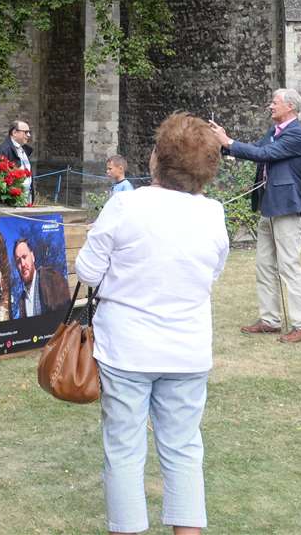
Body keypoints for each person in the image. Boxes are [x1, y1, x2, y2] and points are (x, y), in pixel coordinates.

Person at [75, 112, 229, 535]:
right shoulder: (213, 214)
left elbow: (88, 271)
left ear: (156, 159)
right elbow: (212, 272)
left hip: (128, 349)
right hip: (185, 349)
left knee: (124, 450)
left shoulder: (127, 204)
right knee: (183, 450)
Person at [210, 89, 301, 343]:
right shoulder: (274, 132)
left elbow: (266, 155)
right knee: (264, 265)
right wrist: (225, 143)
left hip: (287, 206)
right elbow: (255, 150)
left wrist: (228, 141)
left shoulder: (297, 133)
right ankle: (270, 320)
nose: (270, 106)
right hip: (268, 205)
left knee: (289, 266)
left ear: (290, 106)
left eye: (274, 103)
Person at [11, 237, 69, 319]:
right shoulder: (22, 300)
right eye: (18, 261)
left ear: (32, 257)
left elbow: (67, 312)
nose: (23, 264)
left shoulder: (51, 278)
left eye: (24, 257)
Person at [0, 120, 35, 203]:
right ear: (14, 132)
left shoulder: (24, 150)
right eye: (26, 132)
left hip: (26, 198)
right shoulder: (3, 150)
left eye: (29, 132)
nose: (29, 135)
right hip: (12, 201)